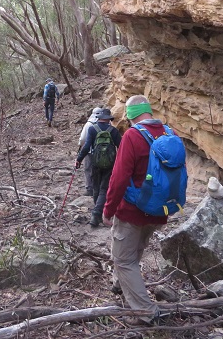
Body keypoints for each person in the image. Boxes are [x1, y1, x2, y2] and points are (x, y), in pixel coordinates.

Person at [102, 95, 169, 319]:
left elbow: (119, 178)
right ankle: (118, 284)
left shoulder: (132, 136)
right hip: (158, 209)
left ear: (130, 115)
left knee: (123, 259)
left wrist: (108, 209)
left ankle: (147, 313)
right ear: (148, 111)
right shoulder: (169, 133)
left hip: (132, 210)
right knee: (135, 248)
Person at [75, 108, 121, 227]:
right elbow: (121, 148)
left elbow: (86, 147)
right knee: (104, 189)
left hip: (95, 162)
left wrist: (79, 159)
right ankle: (97, 214)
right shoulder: (114, 131)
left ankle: (96, 214)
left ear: (99, 117)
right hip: (110, 164)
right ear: (108, 119)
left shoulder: (92, 129)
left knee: (96, 187)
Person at [78, 107, 103, 196]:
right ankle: (100, 188)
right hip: (103, 152)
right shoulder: (106, 123)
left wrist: (80, 145)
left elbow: (83, 138)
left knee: (88, 169)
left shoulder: (89, 124)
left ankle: (90, 189)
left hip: (90, 151)